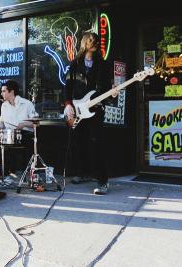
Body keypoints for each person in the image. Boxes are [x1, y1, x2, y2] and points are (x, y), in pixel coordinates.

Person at [64, 32, 118, 195]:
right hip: (79, 107)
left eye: (96, 41)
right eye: (91, 40)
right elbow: (68, 86)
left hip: (96, 108)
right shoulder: (75, 64)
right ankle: (81, 173)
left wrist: (113, 93)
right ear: (85, 43)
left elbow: (108, 87)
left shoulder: (104, 64)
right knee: (78, 142)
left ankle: (103, 181)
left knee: (97, 144)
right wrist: (68, 104)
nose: (94, 43)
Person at [0, 80, 37, 175]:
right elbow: (2, 125)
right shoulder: (4, 106)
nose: (1, 93)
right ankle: (0, 173)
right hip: (9, 135)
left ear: (11, 92)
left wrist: (24, 124)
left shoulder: (27, 104)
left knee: (7, 141)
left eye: (4, 91)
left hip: (25, 135)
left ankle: (18, 172)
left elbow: (36, 123)